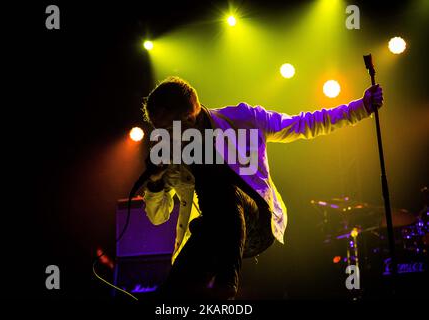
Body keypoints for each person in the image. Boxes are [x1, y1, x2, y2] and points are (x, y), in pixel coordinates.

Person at [141, 76, 383, 300]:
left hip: (256, 225)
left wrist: (360, 108)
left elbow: (304, 123)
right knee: (170, 296)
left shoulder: (243, 119)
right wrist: (154, 183)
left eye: (167, 128)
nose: (162, 135)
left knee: (222, 187)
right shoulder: (170, 155)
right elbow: (158, 216)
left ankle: (227, 283)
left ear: (189, 118)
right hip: (212, 233)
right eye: (157, 128)